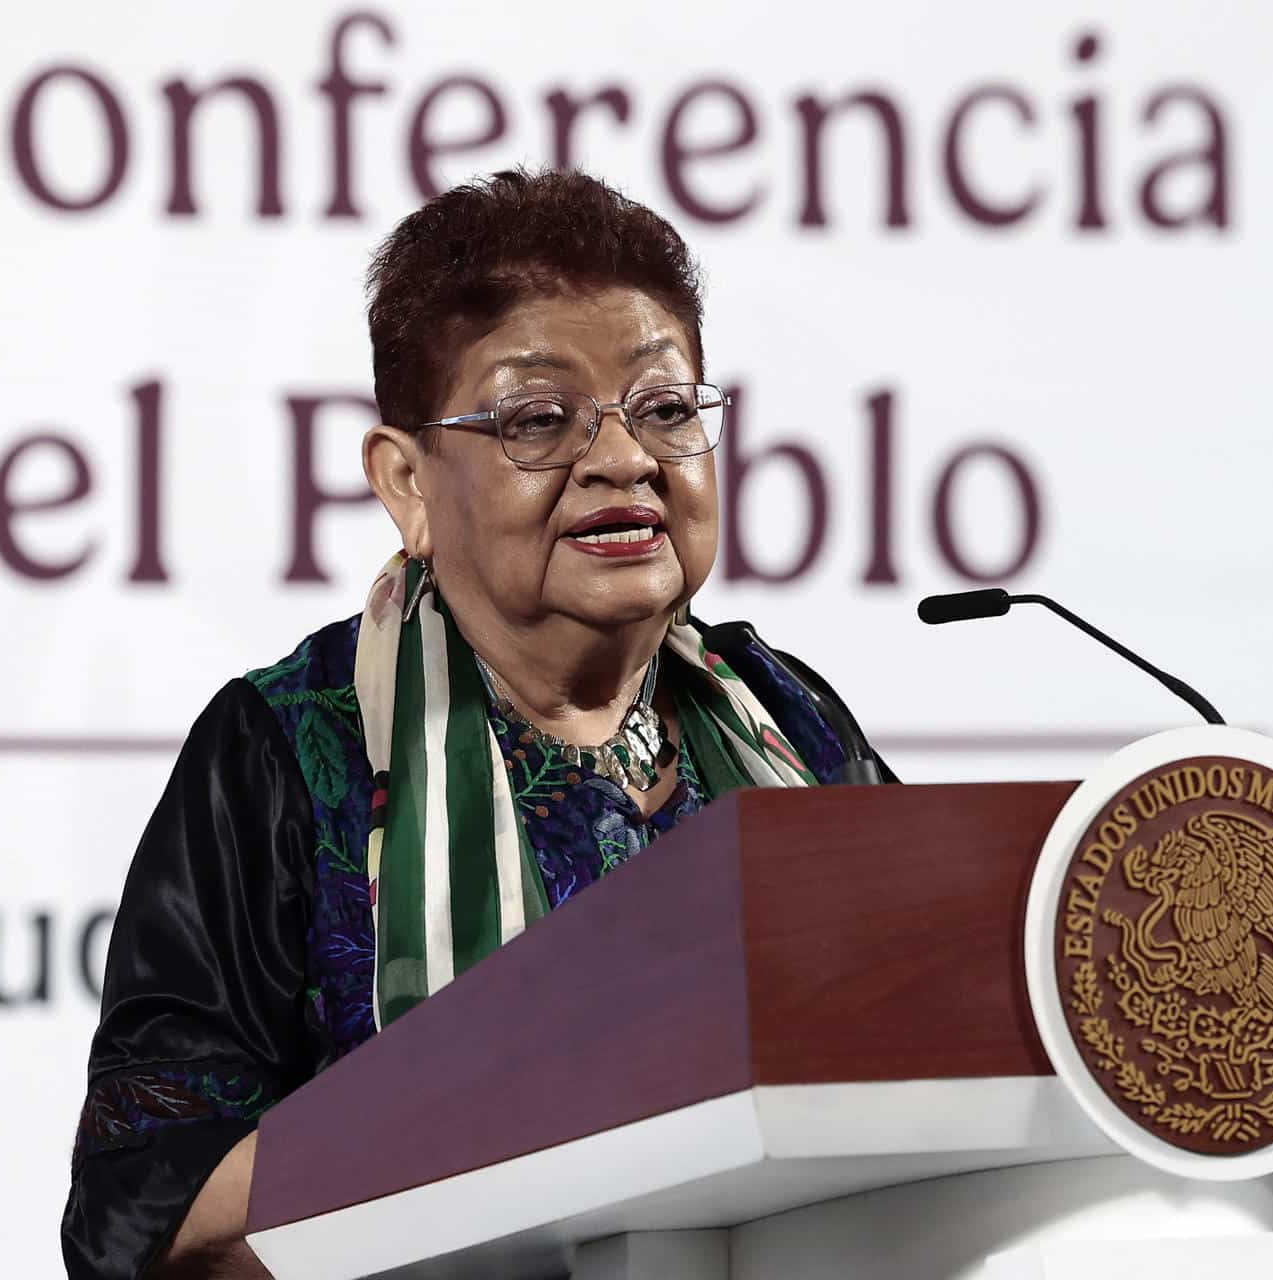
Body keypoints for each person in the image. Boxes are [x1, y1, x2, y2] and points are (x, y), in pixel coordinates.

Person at [61, 169, 891, 1279]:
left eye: (667, 409)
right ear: (406, 482)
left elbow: (924, 1034)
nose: (624, 458)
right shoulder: (288, 751)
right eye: (538, 419)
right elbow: (152, 1206)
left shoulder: (792, 721)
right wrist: (508, 1111)